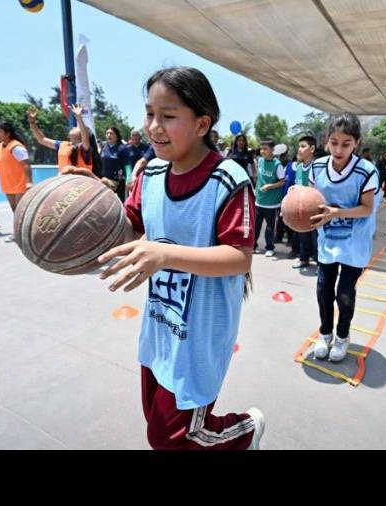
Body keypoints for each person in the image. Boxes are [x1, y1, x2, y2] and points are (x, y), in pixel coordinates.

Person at [91, 66, 262, 450]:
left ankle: (247, 429)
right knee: (156, 421)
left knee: (172, 438)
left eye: (168, 116)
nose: (153, 126)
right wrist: (85, 201)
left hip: (199, 334)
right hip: (160, 325)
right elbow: (127, 225)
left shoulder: (228, 179)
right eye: (149, 113)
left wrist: (164, 253)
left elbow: (239, 257)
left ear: (202, 124)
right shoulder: (149, 173)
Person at [308, 113, 379, 363]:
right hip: (328, 239)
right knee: (323, 290)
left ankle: (342, 336)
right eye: (334, 142)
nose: (339, 149)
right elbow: (311, 201)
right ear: (327, 141)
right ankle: (325, 333)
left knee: (345, 293)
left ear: (356, 143)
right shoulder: (317, 167)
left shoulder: (366, 171)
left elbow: (367, 208)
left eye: (346, 143)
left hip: (354, 241)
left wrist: (336, 212)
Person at [28, 104, 101, 177]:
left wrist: (79, 117)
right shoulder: (63, 145)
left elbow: (85, 139)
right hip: (65, 183)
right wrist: (32, 123)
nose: (74, 127)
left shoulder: (84, 149)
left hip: (80, 185)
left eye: (77, 127)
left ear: (82, 134)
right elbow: (42, 139)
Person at [286, 135, 319, 269]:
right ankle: (303, 258)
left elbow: (318, 189)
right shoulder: (299, 167)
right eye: (299, 146)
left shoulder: (317, 166)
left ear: (312, 149)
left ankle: (319, 263)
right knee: (302, 235)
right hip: (301, 210)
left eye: (303, 146)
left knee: (316, 238)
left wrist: (301, 189)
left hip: (314, 209)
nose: (299, 149)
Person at [253, 140, 286, 257]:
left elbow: (282, 182)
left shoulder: (277, 164)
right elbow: (259, 178)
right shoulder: (260, 161)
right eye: (261, 149)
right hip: (259, 201)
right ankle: (253, 246)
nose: (262, 151)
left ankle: (270, 247)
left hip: (272, 203)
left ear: (272, 150)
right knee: (256, 226)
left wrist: (270, 186)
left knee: (270, 227)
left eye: (265, 149)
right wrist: (256, 190)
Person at [0, 122, 32, 212]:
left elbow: (26, 164)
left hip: (20, 185)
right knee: (15, 210)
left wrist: (28, 182)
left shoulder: (16, 147)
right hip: (7, 184)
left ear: (8, 133)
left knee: (21, 212)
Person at [100, 126, 128, 201]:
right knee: (106, 201)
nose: (109, 135)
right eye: (107, 133)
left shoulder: (123, 148)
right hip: (105, 180)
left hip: (120, 182)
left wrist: (129, 178)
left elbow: (127, 165)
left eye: (111, 133)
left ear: (117, 136)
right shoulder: (104, 147)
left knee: (122, 202)